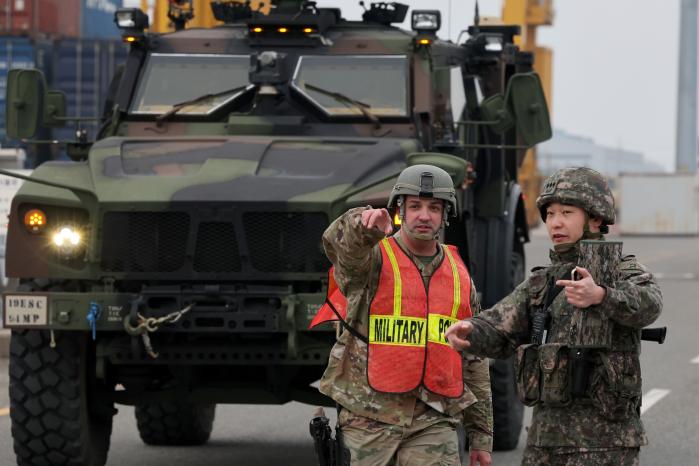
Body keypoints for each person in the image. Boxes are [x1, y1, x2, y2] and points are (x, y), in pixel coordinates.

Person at [445, 167, 663, 466]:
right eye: (549, 214)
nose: (555, 223)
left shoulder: (622, 271)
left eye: (566, 212)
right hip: (545, 442)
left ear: (596, 217)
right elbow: (500, 326)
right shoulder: (543, 283)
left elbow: (650, 303)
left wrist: (602, 295)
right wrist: (469, 331)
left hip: (606, 445)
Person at [316, 164, 493, 466]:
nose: (424, 215)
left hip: (433, 419)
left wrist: (481, 436)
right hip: (368, 418)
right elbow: (340, 249)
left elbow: (473, 360)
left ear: (445, 214)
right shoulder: (372, 259)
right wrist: (361, 226)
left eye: (434, 207)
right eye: (415, 206)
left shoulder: (459, 274)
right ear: (400, 210)